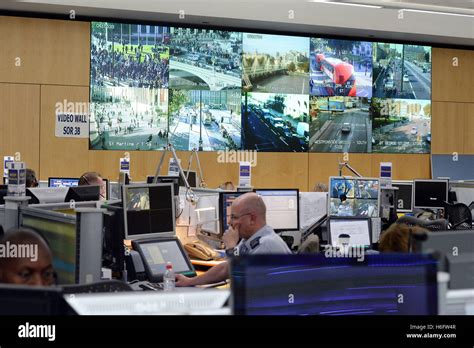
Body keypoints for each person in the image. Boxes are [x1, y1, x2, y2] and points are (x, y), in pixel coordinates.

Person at [176, 192, 291, 287]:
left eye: (234, 217)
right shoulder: (249, 239)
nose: (230, 222)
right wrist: (189, 281)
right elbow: (225, 269)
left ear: (252, 218)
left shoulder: (267, 246)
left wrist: (231, 248)